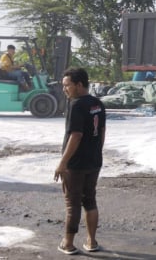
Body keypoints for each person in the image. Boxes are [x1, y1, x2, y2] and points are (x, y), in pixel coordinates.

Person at [54, 67, 106, 254]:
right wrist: (96, 152)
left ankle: (67, 244)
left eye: (67, 85)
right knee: (90, 201)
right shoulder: (97, 104)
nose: (65, 89)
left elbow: (75, 135)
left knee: (72, 204)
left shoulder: (76, 105)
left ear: (79, 85)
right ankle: (91, 242)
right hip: (93, 162)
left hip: (75, 165)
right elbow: (101, 132)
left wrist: (63, 162)